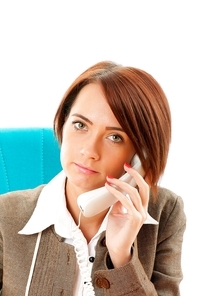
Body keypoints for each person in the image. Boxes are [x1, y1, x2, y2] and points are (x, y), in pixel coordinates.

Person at [0, 61, 186, 295]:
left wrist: (122, 259)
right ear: (63, 122)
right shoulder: (5, 215)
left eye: (115, 137)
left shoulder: (164, 213)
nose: (89, 150)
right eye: (80, 125)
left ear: (142, 154)